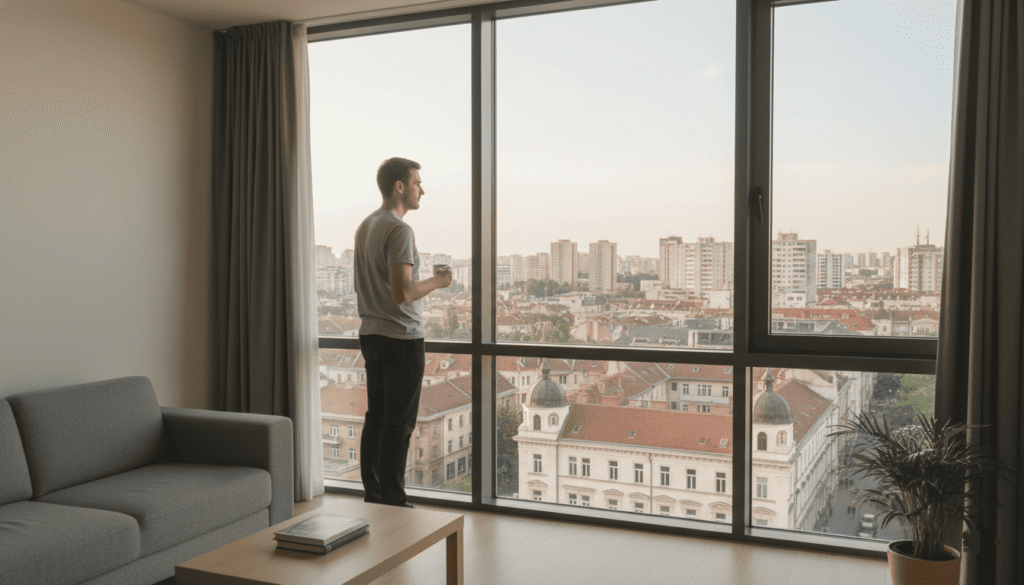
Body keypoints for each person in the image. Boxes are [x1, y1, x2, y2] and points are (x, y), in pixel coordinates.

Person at [353, 157, 453, 508]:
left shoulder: (366, 226)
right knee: (399, 423)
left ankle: (374, 492)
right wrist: (439, 281)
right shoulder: (399, 230)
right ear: (400, 186)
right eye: (416, 182)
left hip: (371, 334)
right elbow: (404, 292)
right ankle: (393, 498)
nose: (421, 189)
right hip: (401, 337)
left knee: (376, 418)